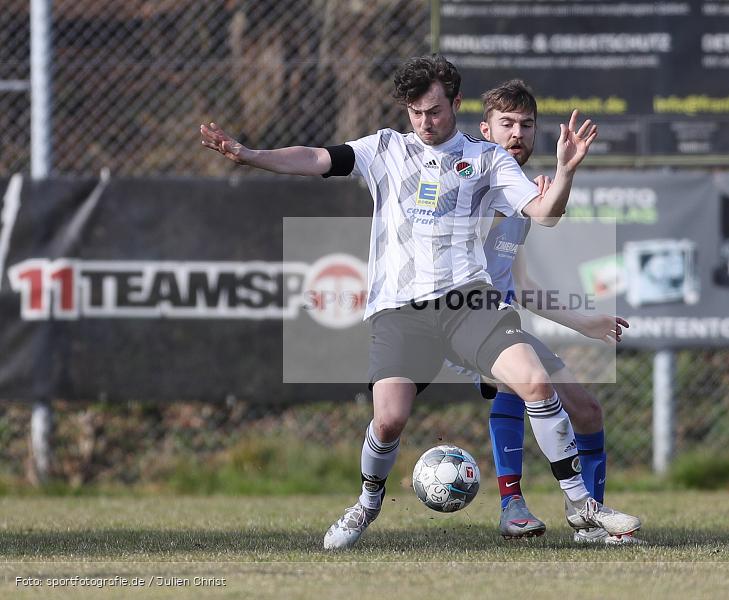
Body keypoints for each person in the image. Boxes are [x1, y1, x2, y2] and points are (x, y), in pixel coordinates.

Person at [200, 54, 640, 550]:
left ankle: (580, 504)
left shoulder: (486, 158)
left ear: (456, 103)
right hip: (400, 310)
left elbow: (544, 212)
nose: (424, 122)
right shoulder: (386, 148)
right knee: (388, 420)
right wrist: (250, 154)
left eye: (433, 111)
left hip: (468, 302)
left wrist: (564, 173)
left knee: (535, 382)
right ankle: (367, 502)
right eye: (415, 113)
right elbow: (317, 158)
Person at [472, 79, 641, 545]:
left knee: (587, 411)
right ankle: (512, 504)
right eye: (506, 124)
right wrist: (552, 186)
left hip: (498, 322)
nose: (517, 133)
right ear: (485, 130)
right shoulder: (473, 182)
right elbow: (546, 214)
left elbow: (522, 285)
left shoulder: (521, 194)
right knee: (514, 380)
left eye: (526, 125)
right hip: (455, 320)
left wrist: (586, 322)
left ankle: (590, 523)